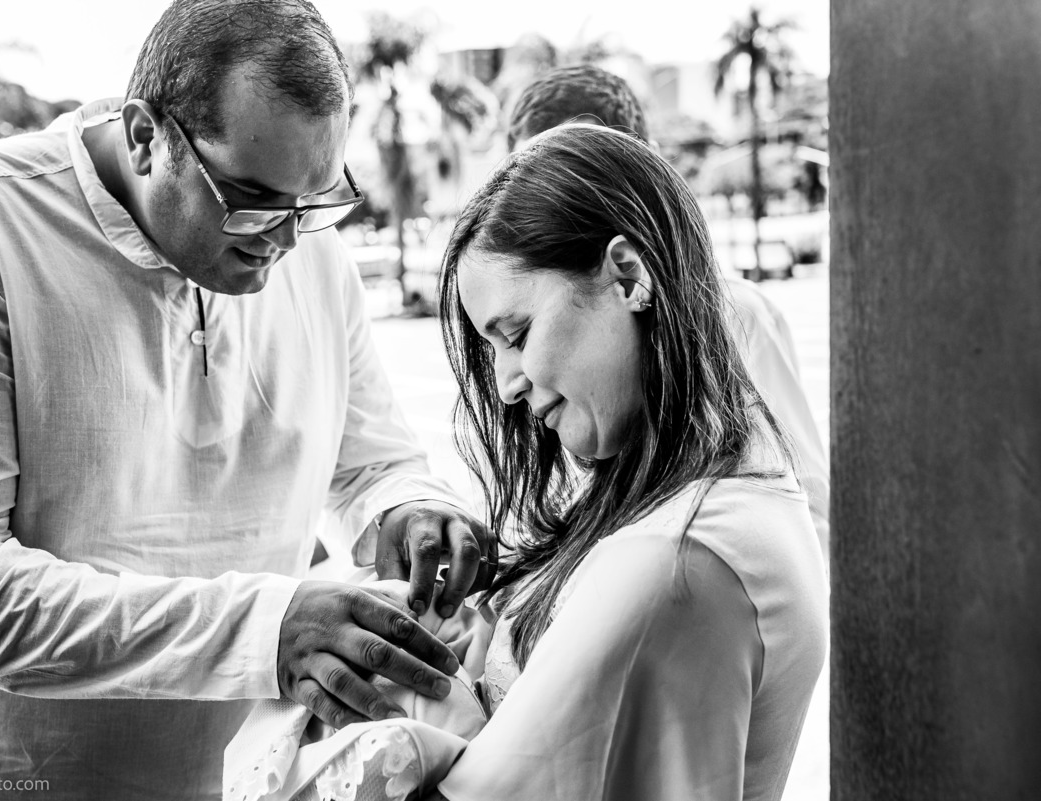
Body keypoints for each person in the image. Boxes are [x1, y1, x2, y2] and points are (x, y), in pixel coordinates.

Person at [0, 1, 495, 798]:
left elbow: (370, 463)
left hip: (235, 776)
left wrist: (410, 509)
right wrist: (265, 629)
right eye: (252, 200)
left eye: (318, 200)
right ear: (148, 134)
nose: (284, 240)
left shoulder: (304, 246)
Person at [222, 125, 827, 800]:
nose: (507, 383)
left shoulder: (670, 559)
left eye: (518, 334)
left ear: (628, 276)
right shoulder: (722, 489)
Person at [507, 63, 831, 561]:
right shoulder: (541, 340)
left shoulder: (733, 314)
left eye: (583, 173)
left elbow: (804, 501)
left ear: (646, 167)